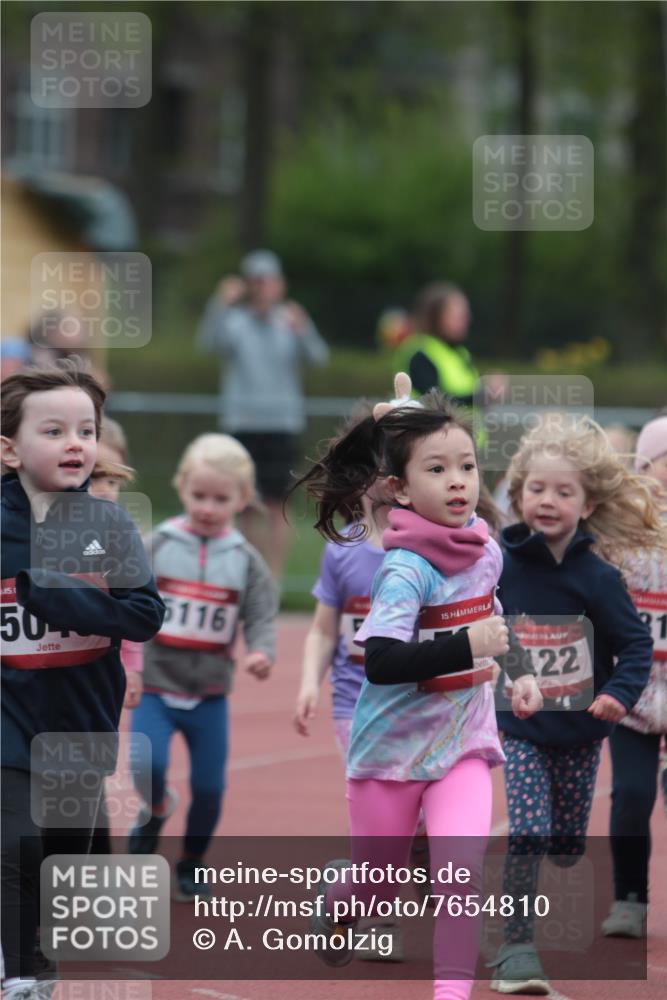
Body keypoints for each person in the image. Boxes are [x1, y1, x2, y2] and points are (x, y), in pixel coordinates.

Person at [292, 390, 542, 1000]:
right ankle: (344, 896)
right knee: (381, 884)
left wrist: (520, 668)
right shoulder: (405, 570)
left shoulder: (484, 547)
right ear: (400, 490)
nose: (458, 481)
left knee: (458, 877)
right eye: (437, 469)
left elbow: (493, 614)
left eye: (467, 466)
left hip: (463, 746)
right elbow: (381, 661)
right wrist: (466, 646)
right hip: (390, 757)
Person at [0, 362, 165, 999]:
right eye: (55, 430)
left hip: (79, 723)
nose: (76, 443)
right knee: (16, 844)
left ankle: (37, 954)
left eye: (86, 430)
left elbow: (145, 615)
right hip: (9, 714)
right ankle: (25, 979)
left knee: (59, 857)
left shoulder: (109, 526)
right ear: (10, 448)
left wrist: (65, 601)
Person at [488, 416, 655, 994]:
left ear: (586, 506)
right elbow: (480, 622)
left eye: (564, 491)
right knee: (527, 833)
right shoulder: (501, 567)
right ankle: (515, 946)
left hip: (582, 733)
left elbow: (635, 644)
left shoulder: (599, 577)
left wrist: (616, 694)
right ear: (517, 496)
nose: (548, 500)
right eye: (537, 489)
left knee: (564, 844)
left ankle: (557, 850)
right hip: (520, 726)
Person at [128, 433, 277, 901]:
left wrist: (260, 650)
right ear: (180, 486)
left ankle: (192, 861)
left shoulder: (245, 561)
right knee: (147, 765)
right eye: (198, 496)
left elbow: (259, 612)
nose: (208, 507)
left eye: (220, 498)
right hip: (156, 684)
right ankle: (154, 811)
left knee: (210, 788)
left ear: (242, 499)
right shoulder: (157, 545)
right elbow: (129, 597)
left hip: (209, 693)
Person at [197, 249, 329, 579]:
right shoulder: (235, 321)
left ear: (279, 284)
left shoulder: (291, 320)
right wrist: (219, 304)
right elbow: (208, 345)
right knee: (245, 505)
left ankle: (276, 578)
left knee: (278, 505)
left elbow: (319, 358)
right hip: (242, 423)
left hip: (281, 424)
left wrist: (304, 330)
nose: (262, 287)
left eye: (267, 280)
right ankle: (251, 575)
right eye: (255, 281)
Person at [598, 414, 667, 938]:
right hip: (635, 696)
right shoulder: (618, 539)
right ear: (646, 469)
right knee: (632, 795)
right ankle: (629, 900)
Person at [396, 283, 478, 403]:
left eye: (465, 314)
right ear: (435, 316)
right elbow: (435, 402)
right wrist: (482, 396)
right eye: (458, 315)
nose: (466, 319)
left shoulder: (462, 353)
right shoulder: (420, 353)